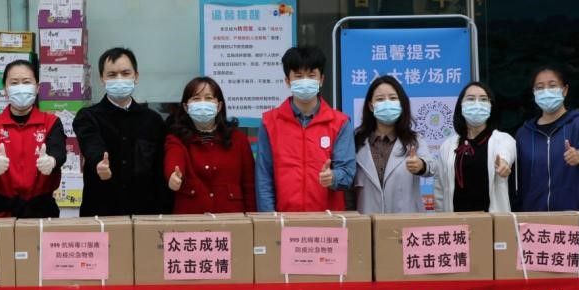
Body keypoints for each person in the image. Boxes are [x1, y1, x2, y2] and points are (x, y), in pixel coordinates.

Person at [255, 45, 355, 212]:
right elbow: (264, 178)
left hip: (329, 220)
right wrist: (269, 219)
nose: (305, 81)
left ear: (321, 79)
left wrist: (333, 177)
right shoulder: (269, 122)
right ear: (287, 81)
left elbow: (348, 172)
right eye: (298, 76)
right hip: (283, 219)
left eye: (311, 75)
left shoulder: (340, 122)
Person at [74, 47, 169, 216]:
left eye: (125, 73)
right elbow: (91, 144)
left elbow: (159, 169)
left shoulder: (153, 120)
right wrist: (99, 162)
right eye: (112, 75)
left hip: (146, 214)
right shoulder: (88, 116)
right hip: (101, 213)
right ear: (102, 79)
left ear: (136, 76)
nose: (119, 79)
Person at [0, 60, 67, 217]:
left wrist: (52, 161)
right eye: (14, 83)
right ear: (5, 89)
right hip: (1, 211)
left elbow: (59, 152)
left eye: (26, 82)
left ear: (37, 87)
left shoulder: (51, 122)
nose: (20, 87)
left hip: (41, 210)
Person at [163, 76, 255, 214]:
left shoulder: (238, 139)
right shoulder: (177, 139)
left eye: (208, 98)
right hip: (191, 221)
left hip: (232, 219)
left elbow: (249, 186)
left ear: (219, 106)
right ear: (186, 107)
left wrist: (252, 220)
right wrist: (173, 176)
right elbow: (174, 158)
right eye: (196, 99)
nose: (202, 103)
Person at [515, 66, 579, 211]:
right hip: (533, 219)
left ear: (565, 90)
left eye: (552, 85)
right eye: (540, 87)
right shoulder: (524, 134)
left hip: (573, 217)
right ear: (534, 93)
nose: (546, 91)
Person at [353, 76, 434, 214]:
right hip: (367, 221)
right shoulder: (357, 141)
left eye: (392, 98)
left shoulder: (414, 140)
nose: (387, 103)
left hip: (406, 222)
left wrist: (421, 165)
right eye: (380, 99)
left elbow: (432, 167)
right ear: (371, 106)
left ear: (401, 104)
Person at [434, 81, 515, 212]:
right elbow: (440, 189)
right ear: (461, 105)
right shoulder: (448, 145)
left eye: (483, 99)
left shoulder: (502, 139)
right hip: (456, 221)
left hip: (492, 220)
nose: (477, 104)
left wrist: (504, 163)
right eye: (471, 99)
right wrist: (441, 219)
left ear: (491, 106)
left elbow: (506, 153)